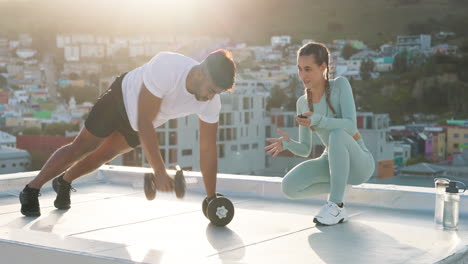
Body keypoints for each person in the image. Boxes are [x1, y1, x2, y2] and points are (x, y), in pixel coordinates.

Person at [19, 49, 236, 216]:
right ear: (201, 73)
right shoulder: (168, 66)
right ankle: (31, 190)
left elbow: (207, 149)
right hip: (120, 100)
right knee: (83, 147)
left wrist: (211, 198)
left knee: (103, 155)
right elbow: (144, 122)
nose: (211, 97)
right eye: (211, 90)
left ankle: (64, 182)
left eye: (216, 93)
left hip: (139, 124)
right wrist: (159, 171)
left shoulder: (210, 103)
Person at [265, 42, 375, 226]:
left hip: (360, 162)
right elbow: (305, 149)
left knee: (337, 134)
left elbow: (350, 125)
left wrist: (319, 120)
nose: (302, 75)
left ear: (323, 67)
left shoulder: (340, 85)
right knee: (289, 186)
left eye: (308, 69)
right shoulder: (302, 102)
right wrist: (287, 144)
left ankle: (336, 205)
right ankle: (339, 186)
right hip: (331, 160)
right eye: (300, 69)